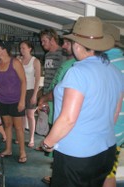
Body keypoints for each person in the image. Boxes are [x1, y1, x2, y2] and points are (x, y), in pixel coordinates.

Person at [40, 16, 123, 187]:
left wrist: (48, 142)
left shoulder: (78, 72)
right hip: (106, 149)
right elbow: (114, 114)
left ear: (77, 45)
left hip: (77, 156)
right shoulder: (114, 71)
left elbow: (68, 119)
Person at [36, 38, 76, 185]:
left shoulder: (75, 67)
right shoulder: (67, 63)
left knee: (62, 147)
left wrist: (48, 141)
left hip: (63, 114)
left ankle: (58, 177)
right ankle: (56, 175)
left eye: (67, 43)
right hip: (55, 108)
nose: (63, 45)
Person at [0, 39, 27, 163]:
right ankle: (8, 149)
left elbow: (24, 81)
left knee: (18, 127)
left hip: (16, 100)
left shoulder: (15, 62)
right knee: (7, 125)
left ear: (4, 50)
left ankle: (22, 152)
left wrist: (22, 101)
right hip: (2, 99)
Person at [103, 23, 124, 187]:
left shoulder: (106, 63)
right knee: (110, 172)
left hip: (109, 129)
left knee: (104, 175)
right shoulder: (121, 60)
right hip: (120, 129)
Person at [18, 40, 41, 148]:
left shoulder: (35, 61)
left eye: (23, 48)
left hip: (31, 90)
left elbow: (37, 79)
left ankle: (31, 138)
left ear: (29, 48)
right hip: (20, 90)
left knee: (30, 115)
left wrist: (35, 95)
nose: (21, 50)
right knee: (21, 116)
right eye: (20, 48)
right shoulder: (19, 60)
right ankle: (21, 136)